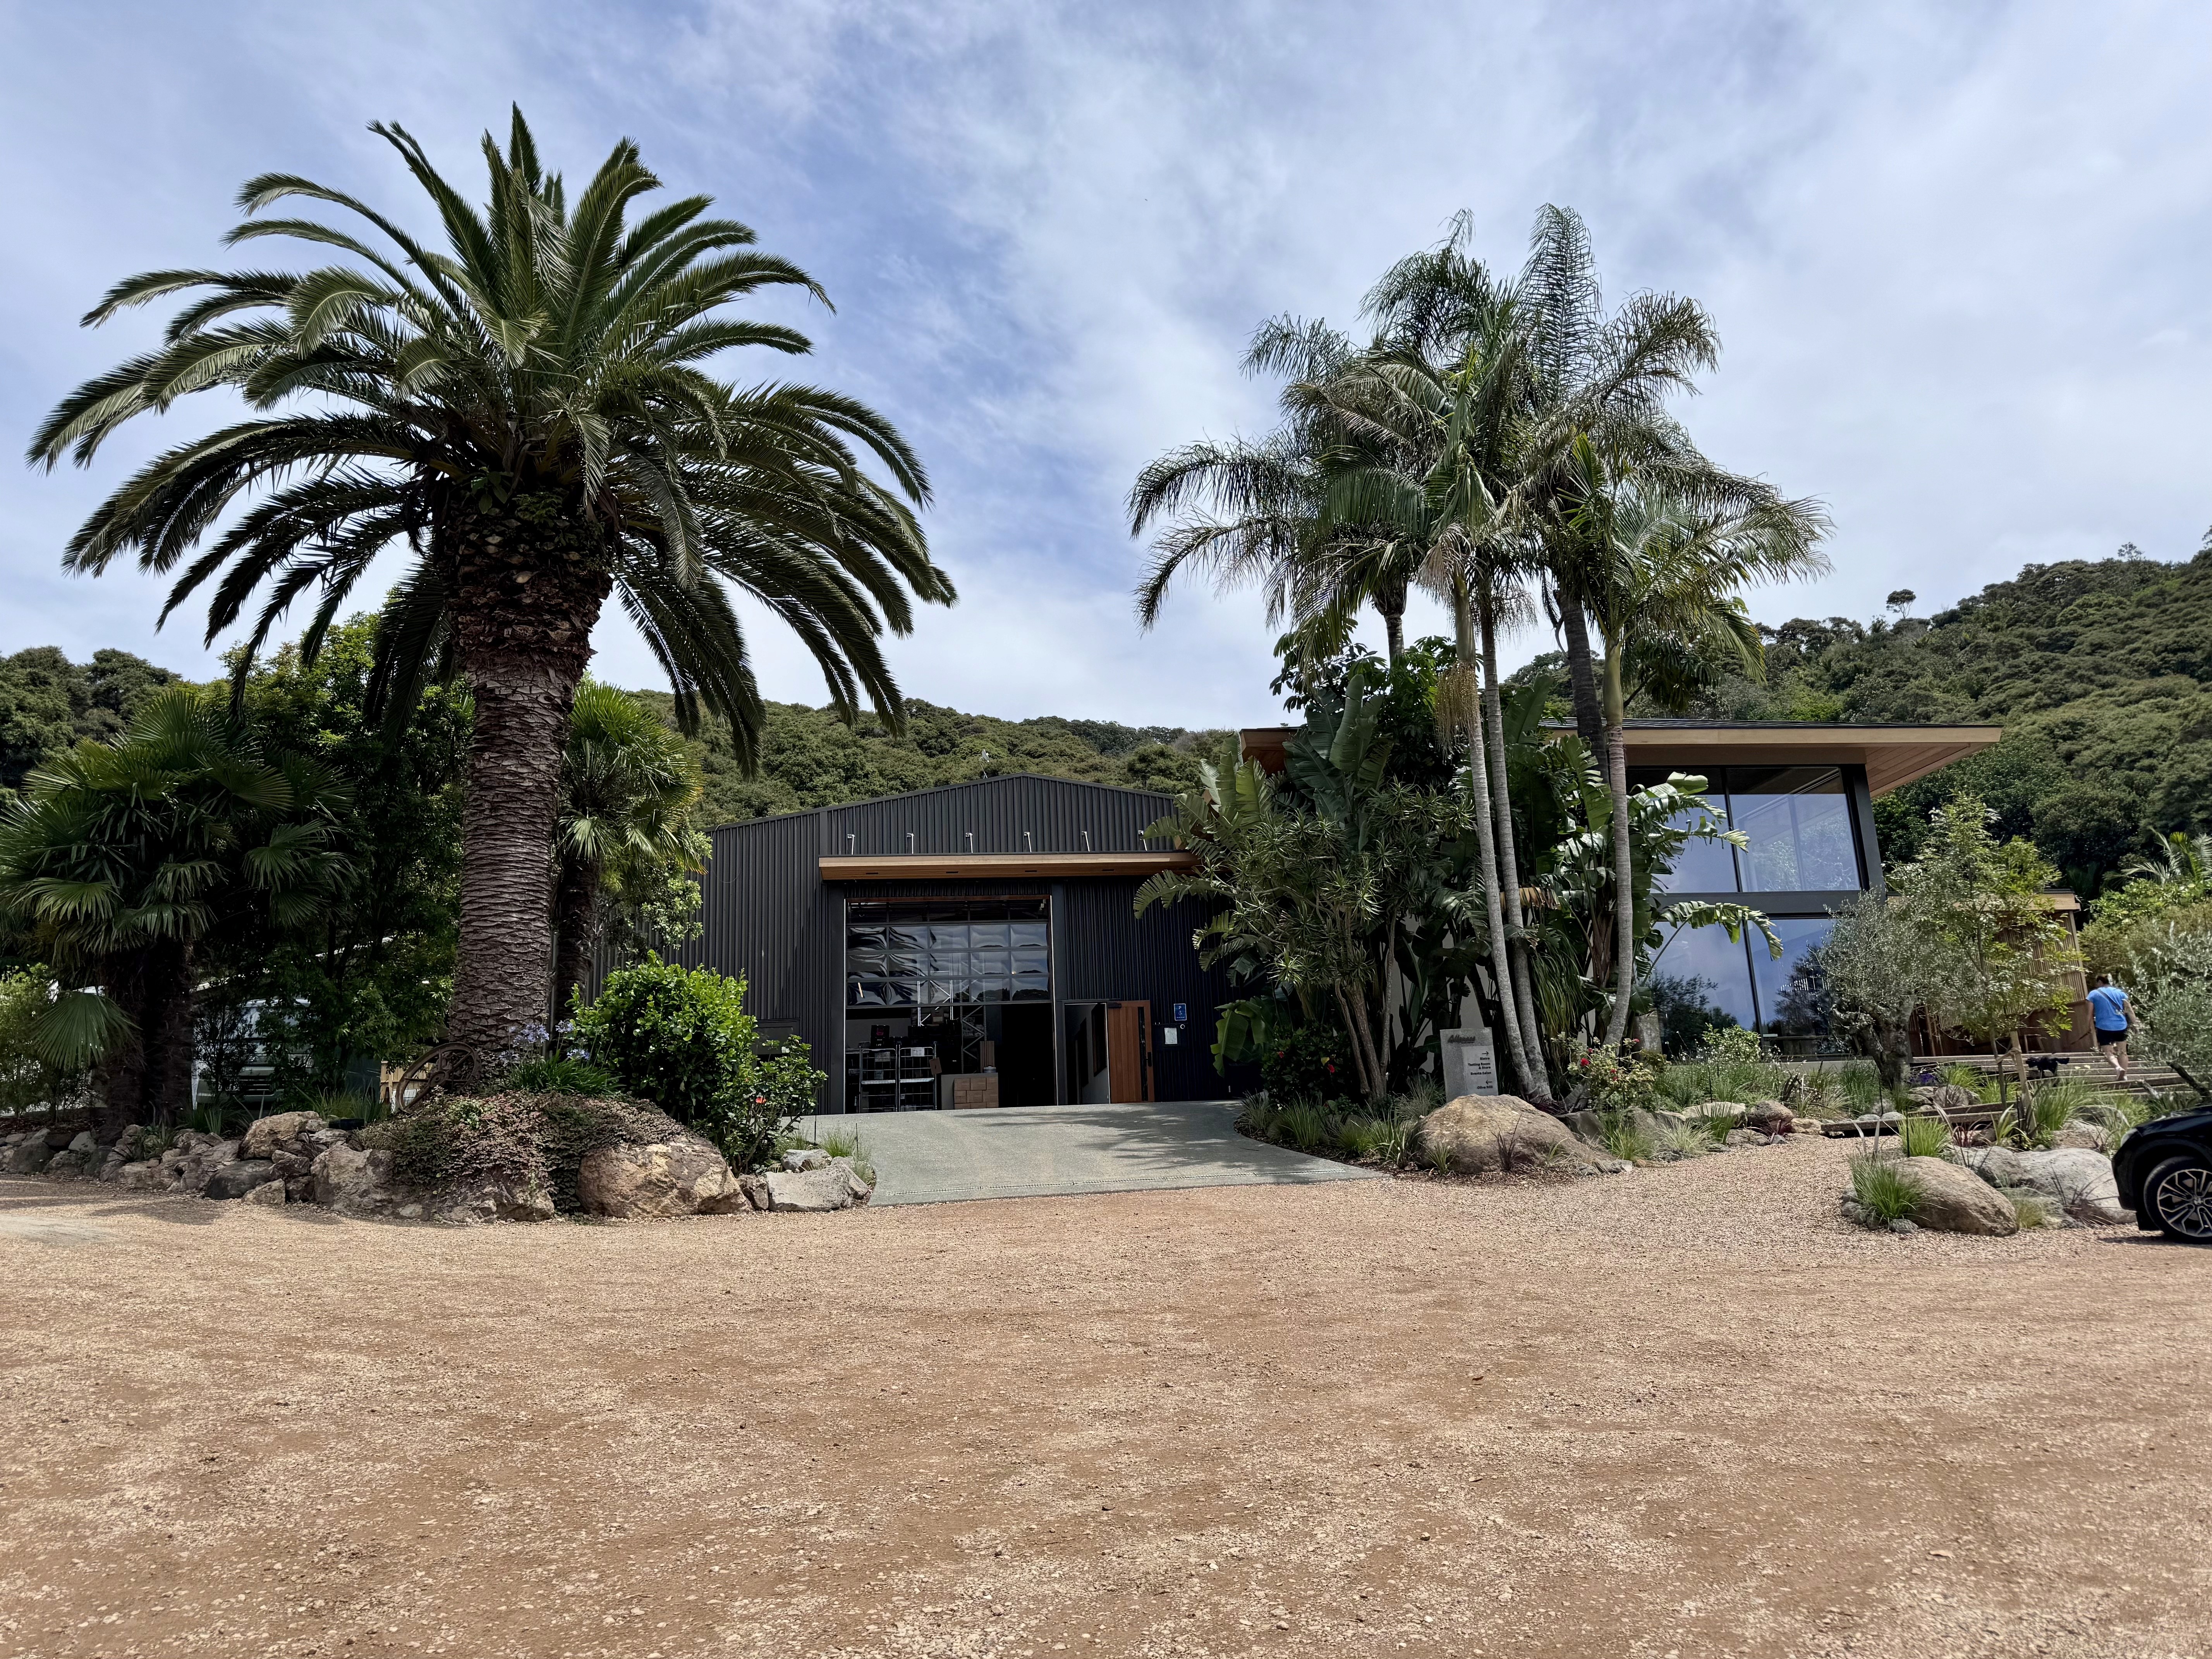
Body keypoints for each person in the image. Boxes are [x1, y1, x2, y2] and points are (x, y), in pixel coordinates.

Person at [2086, 974, 2135, 1080]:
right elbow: (2129, 1011)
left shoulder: (2093, 994)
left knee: (2108, 1052)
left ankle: (2118, 1068)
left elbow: (2089, 1014)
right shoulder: (2121, 993)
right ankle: (2125, 1076)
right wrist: (2136, 1024)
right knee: (2123, 1052)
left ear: (2100, 982)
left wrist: (2088, 1027)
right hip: (2121, 1026)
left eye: (2097, 983)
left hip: (2104, 1027)